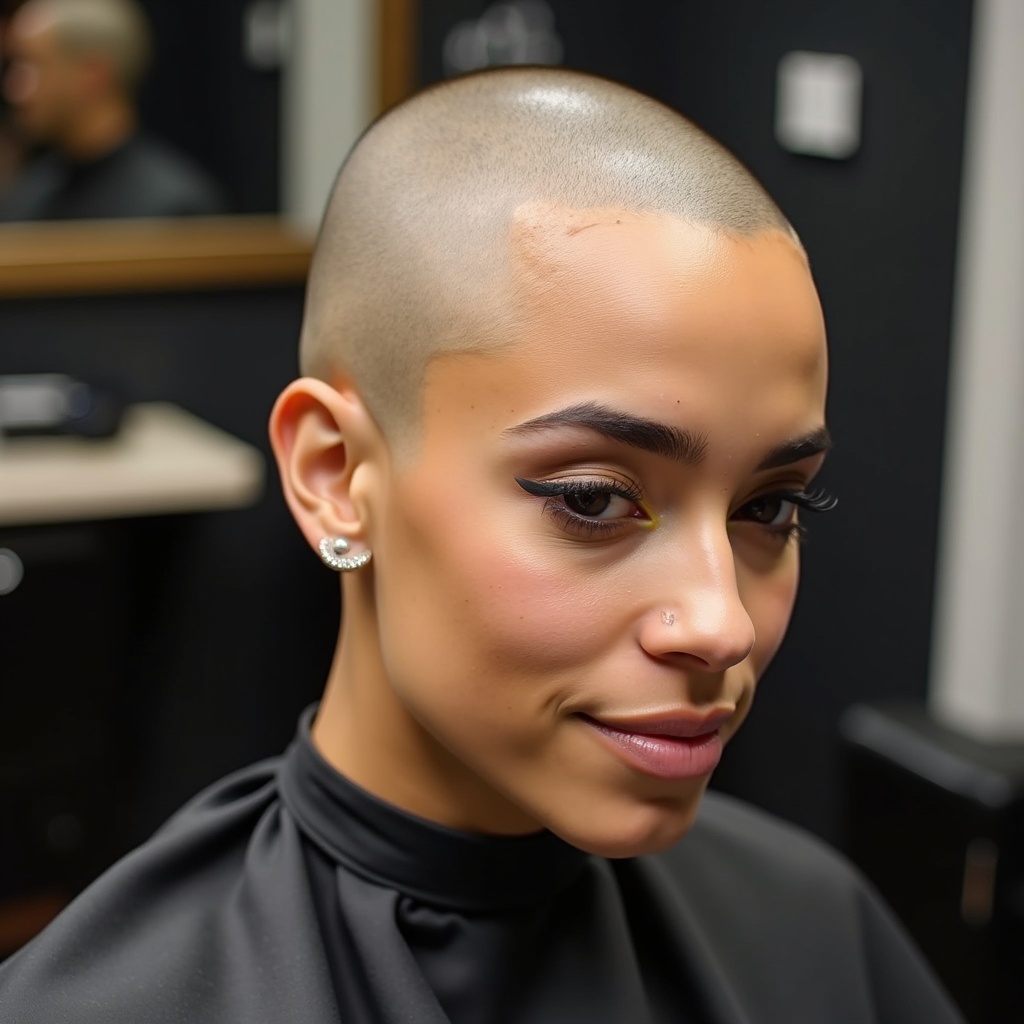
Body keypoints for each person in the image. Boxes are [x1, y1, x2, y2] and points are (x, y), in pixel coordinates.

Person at [0, 68, 965, 1022]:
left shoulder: (813, 931)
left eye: (771, 508)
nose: (722, 626)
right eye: (593, 499)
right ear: (336, 478)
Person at [0, 0, 224, 221]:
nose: (13, 88)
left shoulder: (175, 210)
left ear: (92, 76)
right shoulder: (27, 197)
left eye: (31, 65)